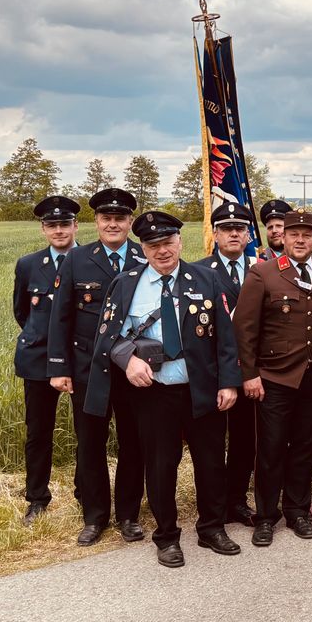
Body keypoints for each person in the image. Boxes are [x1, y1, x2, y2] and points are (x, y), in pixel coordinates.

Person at [87, 211, 241, 568]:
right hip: (155, 392)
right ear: (143, 247)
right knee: (161, 466)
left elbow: (227, 338)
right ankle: (167, 536)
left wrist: (229, 382)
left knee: (211, 462)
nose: (162, 251)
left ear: (179, 242)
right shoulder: (126, 284)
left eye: (168, 243)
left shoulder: (206, 278)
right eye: (153, 245)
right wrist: (129, 362)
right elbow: (108, 337)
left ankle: (211, 528)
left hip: (201, 388)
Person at [232, 208, 312, 547]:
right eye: (294, 234)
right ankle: (266, 516)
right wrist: (249, 375)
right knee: (271, 448)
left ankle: (297, 510)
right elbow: (245, 329)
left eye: (307, 235)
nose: (300, 240)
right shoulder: (263, 273)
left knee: (305, 448)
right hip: (276, 377)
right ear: (283, 237)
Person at [47, 187, 146, 547]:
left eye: (120, 218)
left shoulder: (144, 256)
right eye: (107, 218)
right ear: (96, 222)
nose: (113, 224)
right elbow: (60, 317)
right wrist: (59, 367)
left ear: (130, 223)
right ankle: (94, 517)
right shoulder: (77, 259)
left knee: (133, 444)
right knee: (90, 444)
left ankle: (129, 515)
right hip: (88, 370)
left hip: (133, 371)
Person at [13, 195, 80, 525]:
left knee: (88, 431)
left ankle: (86, 493)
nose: (59, 230)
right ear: (43, 229)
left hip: (82, 358)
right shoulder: (28, 264)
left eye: (64, 224)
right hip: (38, 360)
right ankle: (37, 497)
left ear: (75, 226)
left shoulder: (89, 260)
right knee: (39, 432)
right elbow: (22, 312)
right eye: (52, 225)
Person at [194, 201, 259, 526]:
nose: (234, 234)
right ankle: (213, 504)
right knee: (212, 443)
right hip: (214, 374)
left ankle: (236, 499)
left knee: (245, 441)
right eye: (226, 229)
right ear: (215, 234)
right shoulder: (199, 271)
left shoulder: (262, 269)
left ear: (248, 235)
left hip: (249, 371)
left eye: (240, 229)